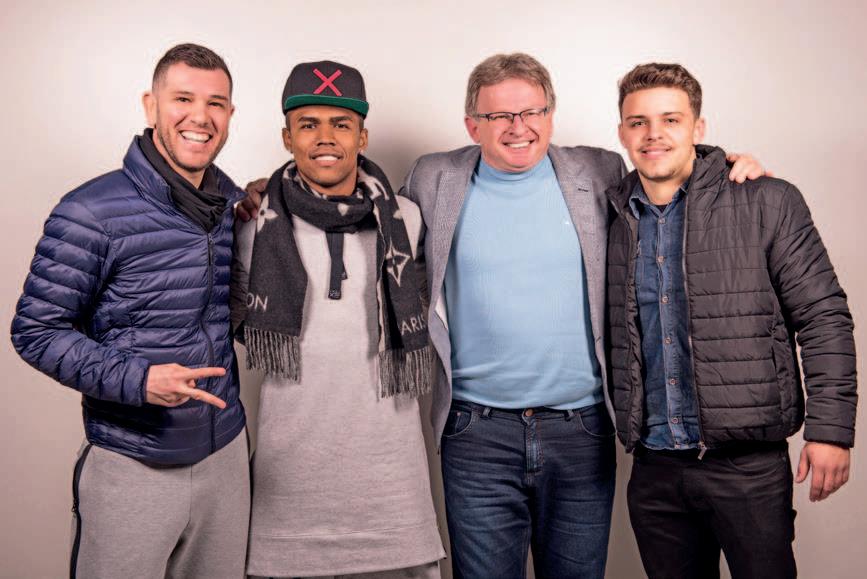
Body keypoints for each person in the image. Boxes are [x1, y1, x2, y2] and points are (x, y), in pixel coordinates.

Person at [398, 53, 765, 579]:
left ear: (551, 115)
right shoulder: (434, 177)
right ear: (472, 125)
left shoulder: (598, 171)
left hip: (581, 429)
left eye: (532, 111)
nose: (519, 127)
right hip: (477, 431)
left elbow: (668, 175)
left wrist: (727, 167)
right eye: (500, 115)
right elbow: (379, 230)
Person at [606, 62, 857, 579]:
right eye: (638, 122)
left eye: (671, 119)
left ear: (698, 128)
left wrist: (831, 432)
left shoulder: (766, 199)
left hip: (747, 468)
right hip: (653, 469)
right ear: (622, 133)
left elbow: (823, 316)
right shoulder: (611, 216)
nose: (653, 134)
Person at [10, 43, 250, 579]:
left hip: (225, 457)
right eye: (182, 99)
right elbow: (35, 331)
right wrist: (139, 380)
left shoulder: (230, 207)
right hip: (133, 460)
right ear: (150, 105)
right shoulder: (89, 211)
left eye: (215, 103)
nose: (200, 117)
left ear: (230, 114)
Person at [231, 60, 444, 579]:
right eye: (308, 124)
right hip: (288, 487)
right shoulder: (252, 223)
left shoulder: (408, 218)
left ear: (362, 136)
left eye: (341, 124)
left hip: (392, 485)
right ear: (287, 138)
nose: (325, 137)